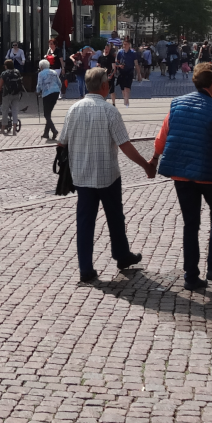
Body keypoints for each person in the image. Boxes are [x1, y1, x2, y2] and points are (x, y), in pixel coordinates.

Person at [59, 67, 153, 284]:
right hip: (107, 175)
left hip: (81, 176)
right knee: (115, 217)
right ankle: (121, 256)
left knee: (84, 222)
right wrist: (146, 166)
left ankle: (86, 268)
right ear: (103, 86)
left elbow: (61, 141)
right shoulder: (110, 111)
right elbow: (125, 145)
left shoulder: (73, 109)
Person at [150, 62, 212, 290]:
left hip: (182, 174)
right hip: (209, 175)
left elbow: (162, 137)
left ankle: (191, 275)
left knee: (190, 224)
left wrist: (155, 158)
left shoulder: (176, 104)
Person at [37, 58, 61, 140]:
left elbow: (39, 84)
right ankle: (46, 133)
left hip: (47, 93)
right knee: (48, 113)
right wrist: (58, 90)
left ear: (41, 67)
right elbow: (59, 82)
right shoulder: (54, 72)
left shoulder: (41, 74)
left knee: (46, 114)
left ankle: (54, 130)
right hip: (56, 92)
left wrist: (37, 91)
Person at [0, 59, 23, 133]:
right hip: (16, 93)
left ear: (6, 66)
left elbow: (0, 85)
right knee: (15, 110)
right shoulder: (17, 71)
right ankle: (14, 129)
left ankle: (3, 128)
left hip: (7, 94)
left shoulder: (4, 73)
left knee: (5, 110)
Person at [115, 39, 140, 107]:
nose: (124, 46)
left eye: (126, 44)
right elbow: (116, 62)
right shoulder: (120, 52)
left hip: (129, 72)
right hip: (122, 72)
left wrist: (139, 75)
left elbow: (136, 64)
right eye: (124, 44)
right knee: (123, 88)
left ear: (129, 45)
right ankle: (125, 99)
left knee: (127, 87)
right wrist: (119, 65)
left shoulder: (133, 53)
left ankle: (126, 101)